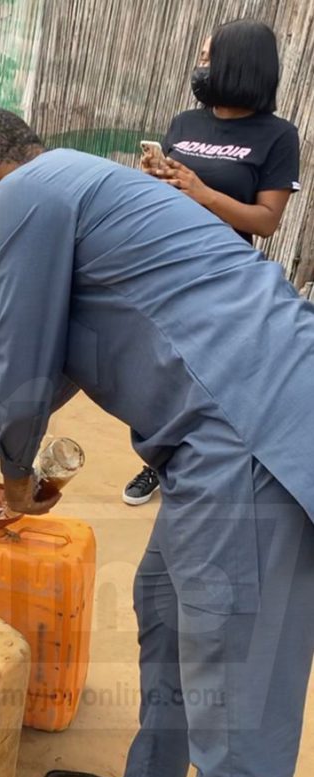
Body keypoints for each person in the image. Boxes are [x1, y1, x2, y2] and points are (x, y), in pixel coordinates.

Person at [0, 102, 314, 777]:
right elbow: (62, 348)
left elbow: (20, 354)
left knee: (239, 708)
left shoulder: (23, 197)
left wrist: (17, 481)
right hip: (230, 431)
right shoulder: (83, 186)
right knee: (163, 605)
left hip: (250, 435)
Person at [123, 19, 300, 507]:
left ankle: (207, 468)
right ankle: (156, 462)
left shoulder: (278, 136)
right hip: (167, 267)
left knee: (209, 378)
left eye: (209, 57)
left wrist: (203, 193)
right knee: (156, 373)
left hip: (224, 278)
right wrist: (157, 179)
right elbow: (168, 192)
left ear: (238, 64)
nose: (201, 67)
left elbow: (265, 221)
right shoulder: (186, 122)